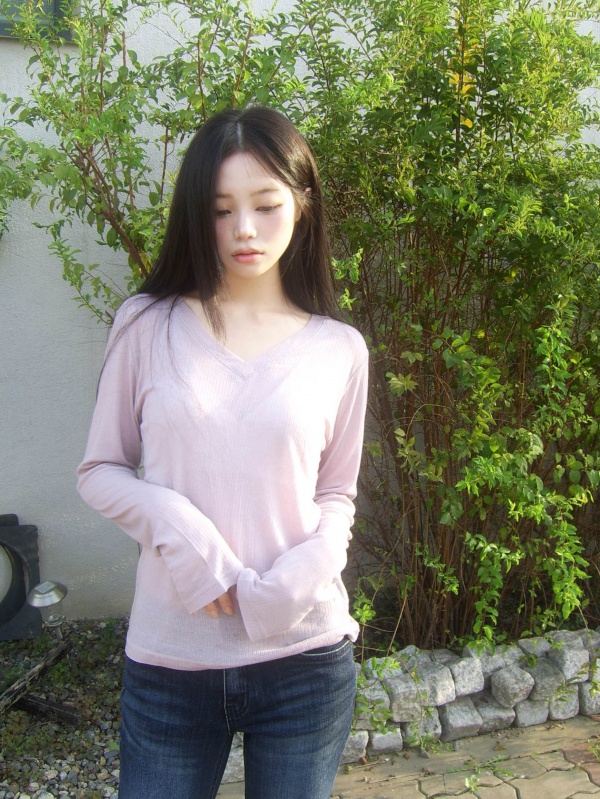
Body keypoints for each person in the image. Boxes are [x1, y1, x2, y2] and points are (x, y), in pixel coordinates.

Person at [77, 106, 369, 799]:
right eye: (220, 209)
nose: (243, 229)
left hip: (306, 660)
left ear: (301, 203)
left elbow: (336, 492)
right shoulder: (147, 325)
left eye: (265, 205)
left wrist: (311, 568)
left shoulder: (339, 348)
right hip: (171, 664)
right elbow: (100, 470)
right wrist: (178, 526)